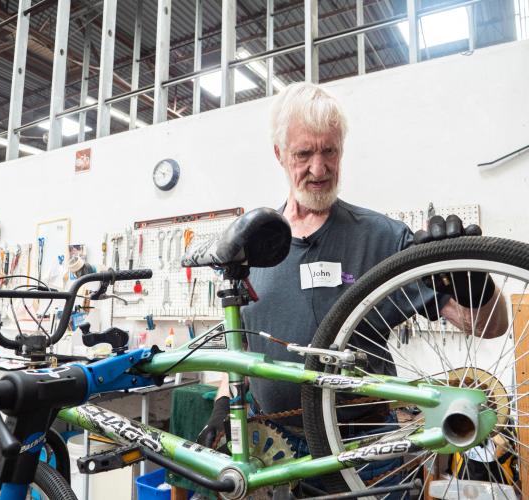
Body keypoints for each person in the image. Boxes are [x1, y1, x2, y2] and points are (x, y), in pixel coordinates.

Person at [198, 82, 508, 492]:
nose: (319, 168)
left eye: (330, 151)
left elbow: (487, 326)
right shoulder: (250, 249)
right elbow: (243, 353)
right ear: (279, 154)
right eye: (304, 154)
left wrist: (477, 287)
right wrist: (224, 403)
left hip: (366, 453)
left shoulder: (381, 238)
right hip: (277, 451)